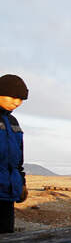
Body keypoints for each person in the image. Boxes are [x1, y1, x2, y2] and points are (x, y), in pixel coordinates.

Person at [0, 74, 29, 234]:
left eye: (21, 99)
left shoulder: (13, 122)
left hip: (7, 193)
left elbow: (18, 160)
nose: (17, 102)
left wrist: (22, 183)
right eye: (12, 97)